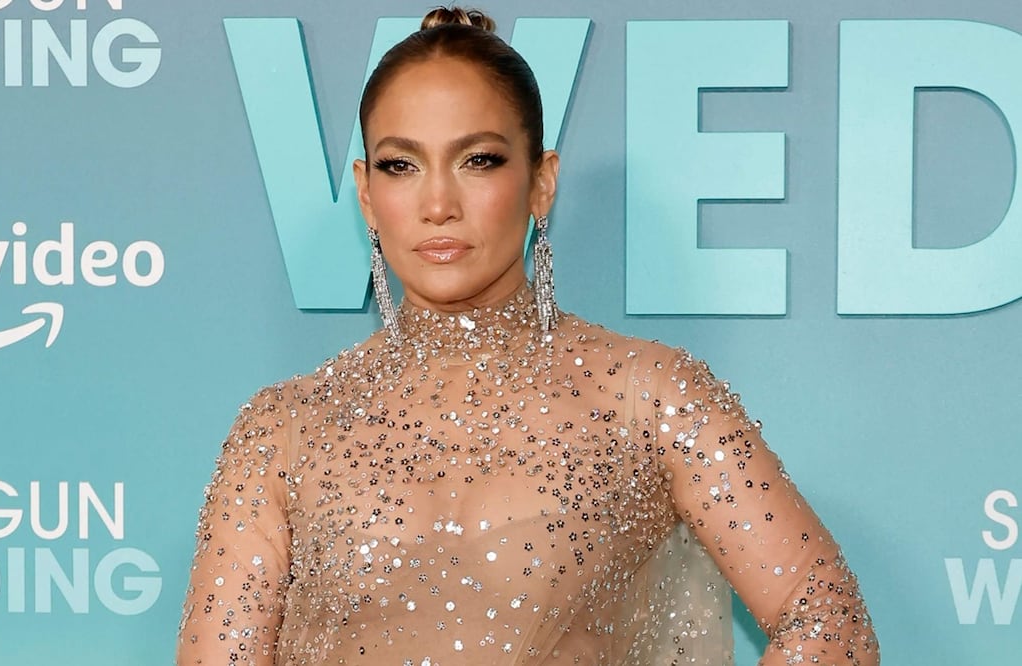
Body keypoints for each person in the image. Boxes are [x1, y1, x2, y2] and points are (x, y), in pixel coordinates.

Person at [177, 6, 879, 665]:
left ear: (542, 182)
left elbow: (826, 617)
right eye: (401, 165)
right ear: (365, 193)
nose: (438, 203)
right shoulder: (282, 430)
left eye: (478, 159)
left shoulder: (650, 396)